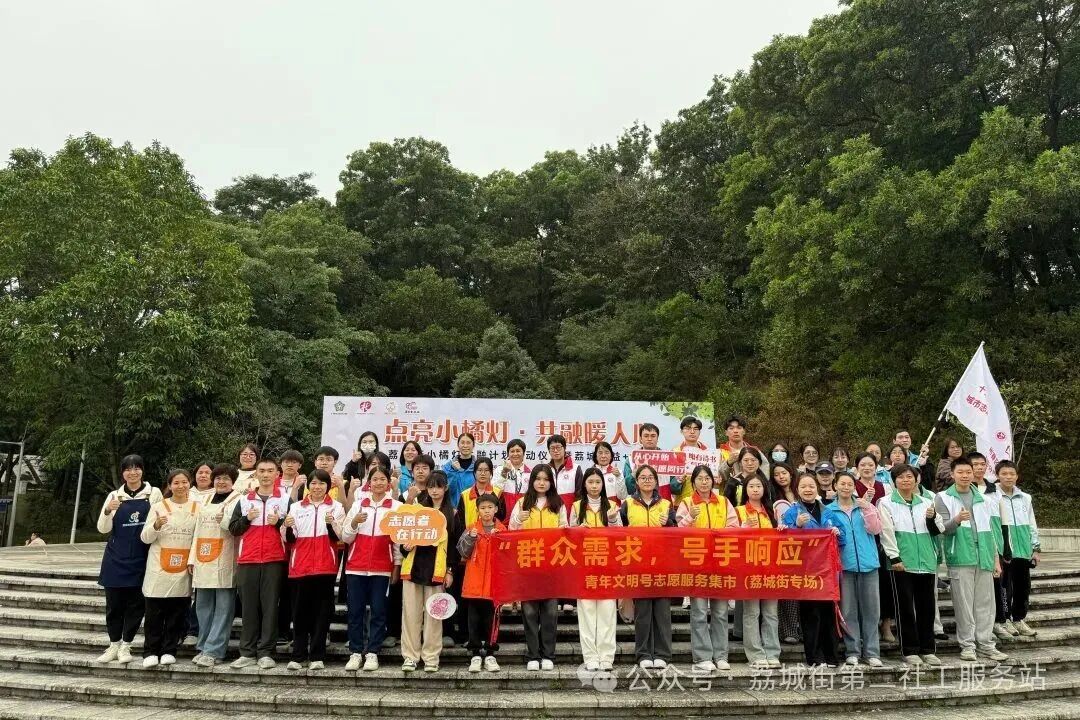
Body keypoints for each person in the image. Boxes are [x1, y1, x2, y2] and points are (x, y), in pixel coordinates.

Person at [934, 456, 1008, 662]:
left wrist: (995, 559)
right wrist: (957, 520)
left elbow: (990, 531)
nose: (965, 475)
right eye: (961, 472)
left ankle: (985, 644)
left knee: (986, 604)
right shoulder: (943, 497)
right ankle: (967, 645)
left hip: (984, 556)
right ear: (952, 474)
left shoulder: (984, 498)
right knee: (964, 605)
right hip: (960, 557)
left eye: (968, 472)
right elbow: (942, 529)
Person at [95, 454, 163, 664]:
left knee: (136, 605)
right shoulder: (114, 495)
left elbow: (157, 524)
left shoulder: (154, 494)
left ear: (142, 470)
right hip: (115, 558)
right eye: (128, 469)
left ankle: (126, 645)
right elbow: (102, 529)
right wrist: (108, 510)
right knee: (114, 605)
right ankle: (113, 645)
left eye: (136, 468)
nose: (132, 473)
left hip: (142, 558)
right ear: (122, 473)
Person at [227, 457, 290, 669]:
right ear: (256, 474)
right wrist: (246, 519)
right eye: (262, 471)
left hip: (274, 559)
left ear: (277, 474)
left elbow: (294, 532)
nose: (265, 475)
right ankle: (247, 652)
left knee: (270, 607)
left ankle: (266, 652)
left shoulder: (285, 500)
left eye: (270, 471)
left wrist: (278, 523)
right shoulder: (245, 500)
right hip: (248, 559)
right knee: (249, 608)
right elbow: (233, 528)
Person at [878, 464, 942, 666]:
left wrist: (932, 518)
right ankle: (909, 649)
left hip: (926, 561)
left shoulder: (927, 501)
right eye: (901, 477)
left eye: (909, 477)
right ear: (894, 481)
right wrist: (894, 557)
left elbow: (938, 529)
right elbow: (886, 532)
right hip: (902, 563)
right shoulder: (886, 503)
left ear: (916, 480)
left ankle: (928, 649)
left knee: (927, 608)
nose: (905, 480)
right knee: (905, 608)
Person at [283, 469, 345, 671]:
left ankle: (317, 655)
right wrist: (287, 527)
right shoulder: (296, 507)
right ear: (308, 485)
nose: (317, 487)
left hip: (325, 567)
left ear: (328, 486)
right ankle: (298, 655)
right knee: (300, 613)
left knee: (322, 613)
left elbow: (340, 537)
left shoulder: (336, 507)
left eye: (322, 483)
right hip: (300, 567)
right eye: (314, 483)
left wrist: (331, 524)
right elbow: (288, 538)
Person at [341, 465, 401, 671]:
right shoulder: (358, 505)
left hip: (382, 568)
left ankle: (373, 652)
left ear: (389, 483)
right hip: (356, 567)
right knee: (355, 612)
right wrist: (354, 523)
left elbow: (397, 542)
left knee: (379, 611)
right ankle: (356, 652)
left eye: (383, 479)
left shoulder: (396, 507)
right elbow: (346, 537)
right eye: (375, 479)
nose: (378, 483)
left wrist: (396, 566)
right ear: (369, 483)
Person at [677, 465, 737, 672]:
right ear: (693, 482)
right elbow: (678, 533)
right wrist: (690, 517)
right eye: (700, 478)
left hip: (720, 562)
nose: (704, 482)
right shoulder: (686, 503)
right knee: (700, 612)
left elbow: (733, 528)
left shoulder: (724, 501)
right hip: (697, 564)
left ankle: (721, 655)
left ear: (713, 480)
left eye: (707, 478)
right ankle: (702, 656)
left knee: (720, 612)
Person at [139, 469, 200, 668]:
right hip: (159, 565)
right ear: (170, 485)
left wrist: (193, 560)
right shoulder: (159, 506)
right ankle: (150, 651)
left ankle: (169, 649)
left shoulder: (197, 507)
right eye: (176, 483)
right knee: (154, 611)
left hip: (183, 566)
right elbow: (144, 538)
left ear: (189, 484)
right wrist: (156, 525)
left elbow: (197, 538)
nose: (181, 486)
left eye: (184, 482)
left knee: (177, 611)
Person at [509, 465, 568, 670]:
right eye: (538, 478)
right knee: (530, 611)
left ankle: (548, 654)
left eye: (546, 479)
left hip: (551, 565)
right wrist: (518, 519)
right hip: (528, 564)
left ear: (551, 482)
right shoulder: (522, 503)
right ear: (532, 481)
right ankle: (533, 655)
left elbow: (565, 531)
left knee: (550, 612)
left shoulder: (558, 504)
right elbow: (511, 531)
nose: (542, 483)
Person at [401, 469, 459, 673]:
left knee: (435, 615)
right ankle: (410, 657)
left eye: (438, 487)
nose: (434, 491)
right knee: (410, 614)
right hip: (414, 567)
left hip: (437, 569)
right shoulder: (417, 510)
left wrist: (450, 571)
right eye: (431, 487)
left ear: (446, 488)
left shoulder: (452, 514)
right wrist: (405, 546)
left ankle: (431, 658)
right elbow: (402, 538)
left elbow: (454, 546)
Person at [783, 472, 842, 667]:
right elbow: (785, 541)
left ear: (817, 488)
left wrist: (837, 532)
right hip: (805, 570)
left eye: (811, 486)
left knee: (828, 613)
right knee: (811, 614)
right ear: (797, 490)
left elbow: (843, 538)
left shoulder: (828, 511)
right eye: (803, 486)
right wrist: (797, 526)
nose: (807, 490)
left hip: (827, 570)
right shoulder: (792, 512)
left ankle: (831, 656)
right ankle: (814, 657)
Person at [620, 464, 676, 669]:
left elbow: (676, 534)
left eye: (650, 477)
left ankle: (662, 653)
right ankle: (643, 653)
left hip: (661, 563)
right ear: (636, 481)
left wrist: (668, 524)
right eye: (642, 477)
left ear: (656, 481)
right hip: (638, 563)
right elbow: (619, 531)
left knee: (662, 611)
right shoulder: (627, 503)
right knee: (642, 611)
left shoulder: (666, 504)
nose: (646, 481)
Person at [825, 474, 883, 667]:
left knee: (871, 611)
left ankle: (872, 652)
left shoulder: (865, 506)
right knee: (848, 610)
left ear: (854, 487)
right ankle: (853, 651)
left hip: (869, 565)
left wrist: (867, 508)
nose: (846, 487)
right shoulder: (828, 510)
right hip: (844, 566)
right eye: (842, 483)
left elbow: (876, 529)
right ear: (835, 486)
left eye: (850, 484)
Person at [190, 463, 241, 668]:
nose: (221, 482)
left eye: (226, 478)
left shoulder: (238, 500)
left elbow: (237, 528)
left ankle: (215, 650)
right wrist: (191, 559)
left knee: (223, 608)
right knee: (203, 607)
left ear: (233, 481)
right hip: (203, 557)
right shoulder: (204, 499)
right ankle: (203, 645)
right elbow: (196, 531)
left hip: (225, 557)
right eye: (218, 478)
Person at [571, 467, 622, 671]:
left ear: (603, 484)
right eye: (590, 482)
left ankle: (606, 657)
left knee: (607, 612)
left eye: (597, 482)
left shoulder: (612, 506)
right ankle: (590, 657)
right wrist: (577, 531)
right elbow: (568, 536)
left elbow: (621, 536)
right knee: (587, 612)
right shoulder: (576, 507)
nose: (594, 486)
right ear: (584, 484)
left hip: (607, 566)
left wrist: (612, 519)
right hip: (584, 567)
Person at [737, 475, 782, 669]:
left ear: (764, 489)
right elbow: (729, 537)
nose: (755, 489)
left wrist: (782, 529)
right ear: (745, 490)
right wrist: (744, 528)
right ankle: (755, 654)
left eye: (759, 486)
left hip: (771, 568)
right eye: (751, 486)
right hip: (749, 568)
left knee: (771, 613)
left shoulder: (772, 512)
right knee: (752, 612)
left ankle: (772, 652)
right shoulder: (738, 511)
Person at [458, 492, 505, 673]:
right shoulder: (471, 528)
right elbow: (462, 552)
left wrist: (499, 539)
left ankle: (491, 653)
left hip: (494, 585)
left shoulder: (502, 530)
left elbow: (508, 556)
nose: (486, 511)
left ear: (496, 509)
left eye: (490, 507)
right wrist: (470, 538)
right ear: (477, 510)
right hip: (474, 584)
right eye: (483, 508)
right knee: (474, 620)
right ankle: (475, 653)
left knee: (492, 620)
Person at [852, 451, 893, 643]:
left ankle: (886, 624)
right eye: (863, 465)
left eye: (870, 465)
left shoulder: (885, 487)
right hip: (861, 539)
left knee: (886, 583)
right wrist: (865, 502)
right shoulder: (852, 486)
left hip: (883, 539)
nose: (867, 468)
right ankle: (867, 626)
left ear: (876, 467)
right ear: (856, 468)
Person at [997, 460, 1039, 637]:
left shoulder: (1025, 497)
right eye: (1004, 474)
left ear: (1017, 476)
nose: (1008, 477)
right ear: (997, 475)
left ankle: (1019, 619)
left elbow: (1031, 523)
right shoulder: (993, 496)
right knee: (1005, 587)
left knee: (1023, 587)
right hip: (1005, 550)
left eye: (1012, 474)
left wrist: (1035, 547)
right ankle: (1005, 619)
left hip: (1023, 550)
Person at [769, 463, 801, 645]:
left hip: (805, 548)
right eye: (776, 474)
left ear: (791, 473)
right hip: (781, 548)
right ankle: (788, 630)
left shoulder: (802, 491)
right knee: (787, 589)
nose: (781, 476)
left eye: (784, 473)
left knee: (804, 588)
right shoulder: (772, 496)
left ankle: (802, 629)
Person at [670, 416, 710, 503]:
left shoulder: (709, 453)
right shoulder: (675, 452)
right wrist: (678, 480)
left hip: (705, 502)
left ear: (699, 432)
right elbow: (670, 483)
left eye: (695, 429)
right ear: (681, 431)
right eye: (688, 428)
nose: (692, 432)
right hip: (682, 502)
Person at [621, 422, 662, 496]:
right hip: (637, 500)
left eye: (653, 436)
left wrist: (678, 480)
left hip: (662, 500)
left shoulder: (667, 458)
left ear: (657, 438)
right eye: (646, 436)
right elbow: (628, 488)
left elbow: (674, 488)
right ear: (640, 439)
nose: (649, 439)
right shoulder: (631, 459)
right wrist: (633, 475)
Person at [547, 434, 583, 511]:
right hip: (550, 513)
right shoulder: (546, 469)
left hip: (570, 513)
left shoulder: (576, 468)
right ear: (549, 451)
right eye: (552, 448)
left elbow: (580, 494)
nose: (555, 451)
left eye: (558, 447)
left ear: (564, 448)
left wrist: (576, 512)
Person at [493, 439, 530, 511]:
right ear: (508, 454)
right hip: (503, 511)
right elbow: (494, 490)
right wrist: (504, 473)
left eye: (518, 451)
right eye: (512, 451)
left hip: (523, 512)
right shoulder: (499, 469)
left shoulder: (530, 472)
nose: (515, 454)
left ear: (523, 453)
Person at [443, 432, 479, 506]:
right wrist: (453, 471)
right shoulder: (448, 467)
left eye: (468, 443)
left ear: (473, 445)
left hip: (474, 508)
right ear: (458, 445)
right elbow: (445, 490)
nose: (465, 446)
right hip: (453, 509)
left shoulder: (478, 466)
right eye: (462, 443)